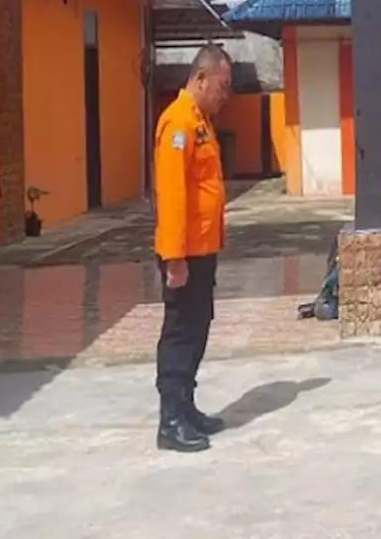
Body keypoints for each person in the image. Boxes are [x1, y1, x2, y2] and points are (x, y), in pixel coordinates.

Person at [153, 43, 233, 453]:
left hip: (201, 249)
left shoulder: (200, 122)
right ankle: (170, 420)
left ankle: (186, 408)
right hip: (184, 254)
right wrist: (174, 258)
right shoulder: (179, 124)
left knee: (198, 325)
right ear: (200, 78)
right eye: (221, 86)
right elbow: (171, 197)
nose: (225, 95)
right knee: (181, 331)